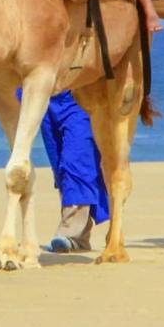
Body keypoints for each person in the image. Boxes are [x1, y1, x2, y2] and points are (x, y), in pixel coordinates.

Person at [41, 91, 112, 252]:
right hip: (45, 98)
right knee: (59, 166)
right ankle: (80, 237)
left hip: (79, 98)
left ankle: (70, 231)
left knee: (76, 162)